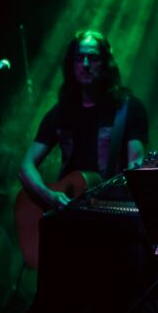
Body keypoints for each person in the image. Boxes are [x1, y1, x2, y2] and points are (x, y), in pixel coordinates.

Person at [19, 30, 148, 208]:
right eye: (79, 58)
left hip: (108, 214)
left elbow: (136, 163)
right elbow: (26, 166)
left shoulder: (129, 109)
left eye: (93, 58)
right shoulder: (61, 112)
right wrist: (49, 196)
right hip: (67, 219)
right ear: (71, 65)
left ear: (106, 64)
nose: (85, 64)